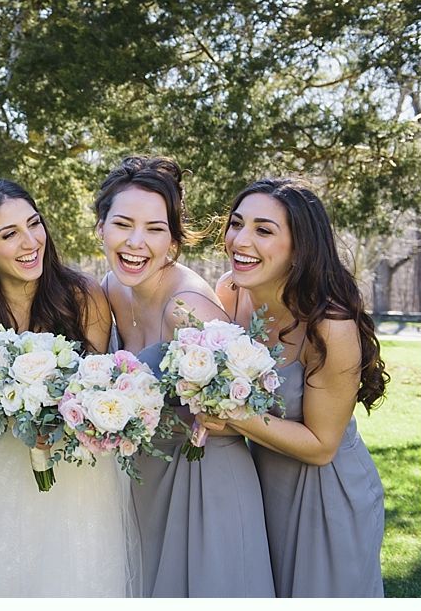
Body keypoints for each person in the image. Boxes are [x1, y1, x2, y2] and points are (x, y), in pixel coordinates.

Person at [0, 178, 139, 597]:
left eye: (34, 224)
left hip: (79, 474)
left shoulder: (80, 296)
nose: (30, 242)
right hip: (3, 468)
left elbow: (96, 386)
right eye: (9, 234)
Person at [93, 156, 275, 597]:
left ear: (173, 242)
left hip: (205, 476)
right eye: (123, 224)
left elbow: (247, 394)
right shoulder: (110, 288)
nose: (137, 242)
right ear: (100, 228)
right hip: (145, 477)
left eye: (155, 229)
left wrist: (221, 414)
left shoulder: (188, 306)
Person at [203, 177, 386, 597]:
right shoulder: (230, 294)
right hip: (260, 485)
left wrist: (232, 416)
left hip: (324, 495)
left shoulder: (329, 325)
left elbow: (323, 445)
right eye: (236, 224)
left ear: (300, 247)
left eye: (264, 230)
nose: (240, 240)